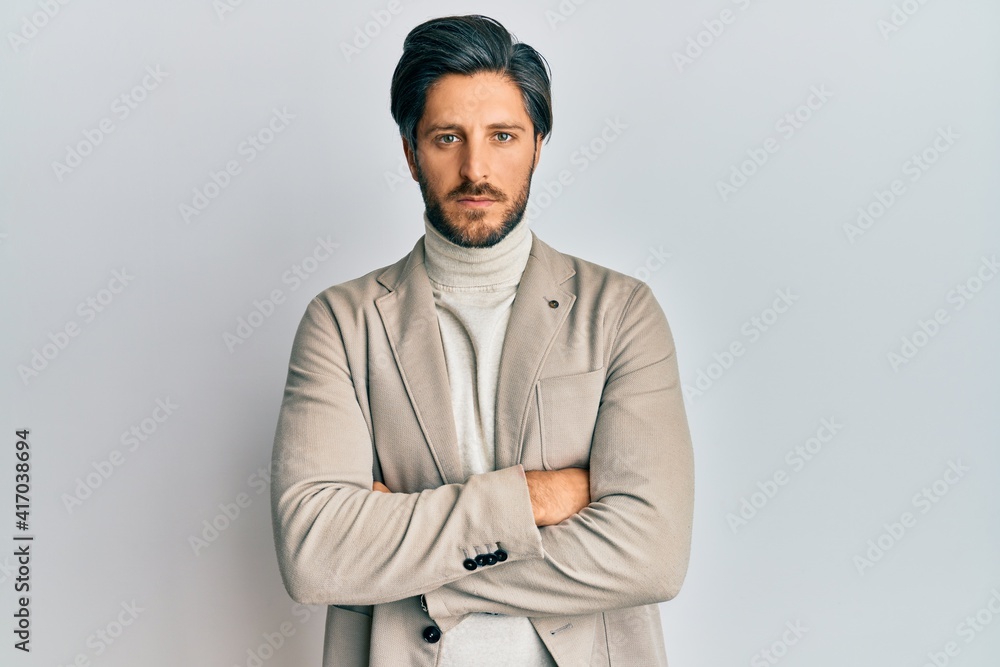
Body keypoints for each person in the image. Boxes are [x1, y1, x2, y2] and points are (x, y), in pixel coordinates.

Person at [270, 14, 694, 666]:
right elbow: (315, 553)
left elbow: (652, 553)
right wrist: (533, 499)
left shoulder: (621, 313)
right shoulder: (340, 323)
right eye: (447, 138)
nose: (476, 167)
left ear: (538, 146)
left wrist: (400, 550)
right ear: (411, 152)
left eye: (502, 136)